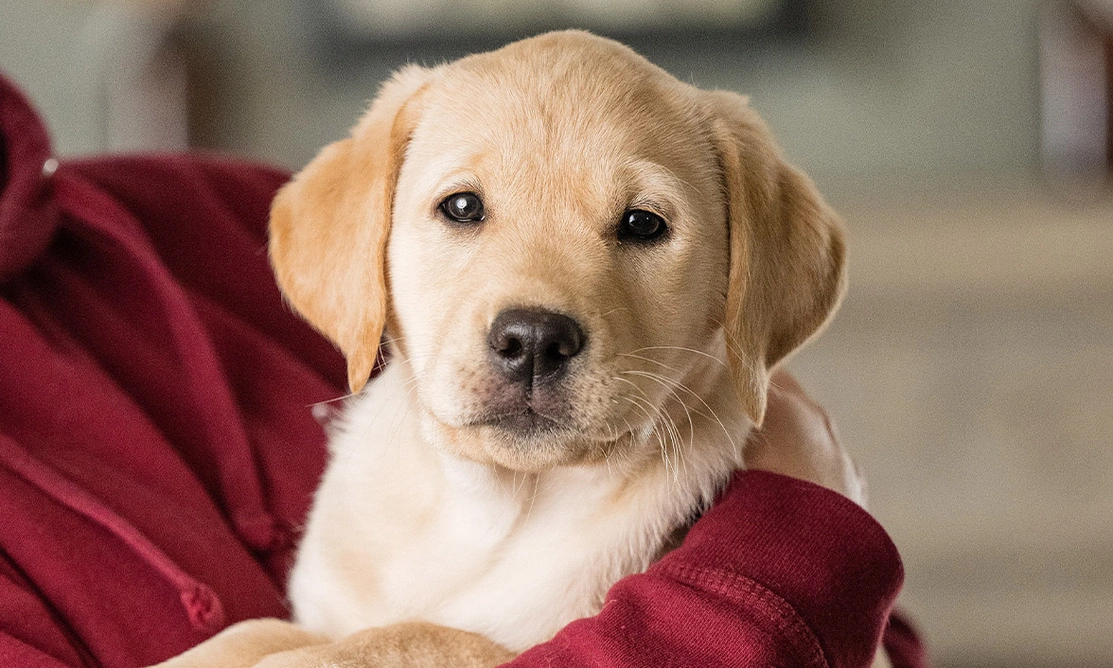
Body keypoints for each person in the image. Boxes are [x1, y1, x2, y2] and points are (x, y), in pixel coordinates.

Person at [0, 71, 926, 668]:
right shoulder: (787, 507)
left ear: (746, 277)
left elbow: (887, 644)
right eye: (463, 208)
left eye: (641, 225)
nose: (535, 319)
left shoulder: (197, 214)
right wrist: (791, 554)